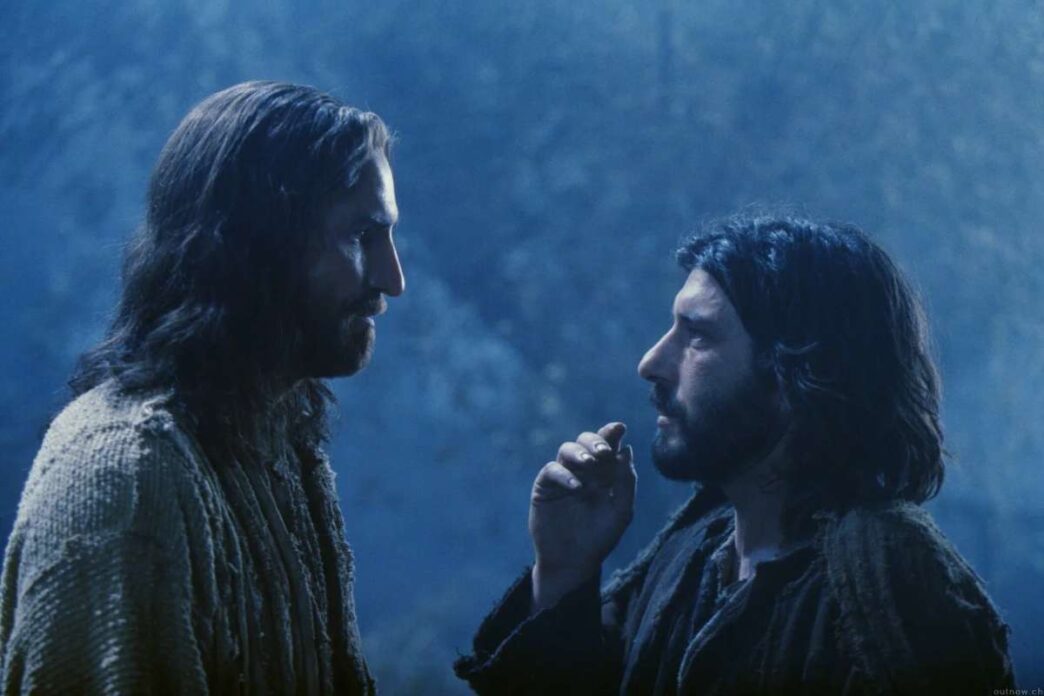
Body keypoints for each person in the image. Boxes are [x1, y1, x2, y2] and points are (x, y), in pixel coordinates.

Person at [454, 214, 1016, 694]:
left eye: (697, 335)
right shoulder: (689, 556)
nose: (651, 362)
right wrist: (564, 572)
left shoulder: (893, 588)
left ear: (796, 372)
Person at [0, 81, 404, 694]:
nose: (393, 280)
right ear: (258, 244)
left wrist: (550, 585)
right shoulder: (125, 480)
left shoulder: (274, 440)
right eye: (360, 235)